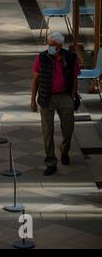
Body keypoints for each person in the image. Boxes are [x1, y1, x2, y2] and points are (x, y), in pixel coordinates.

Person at [31, 32, 81, 176]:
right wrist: (33, 100)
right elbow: (35, 80)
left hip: (65, 96)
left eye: (51, 45)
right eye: (48, 44)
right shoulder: (42, 57)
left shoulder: (70, 58)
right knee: (47, 132)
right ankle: (51, 162)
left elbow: (75, 78)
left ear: (59, 46)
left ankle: (64, 151)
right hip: (47, 97)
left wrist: (72, 96)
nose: (49, 47)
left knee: (68, 129)